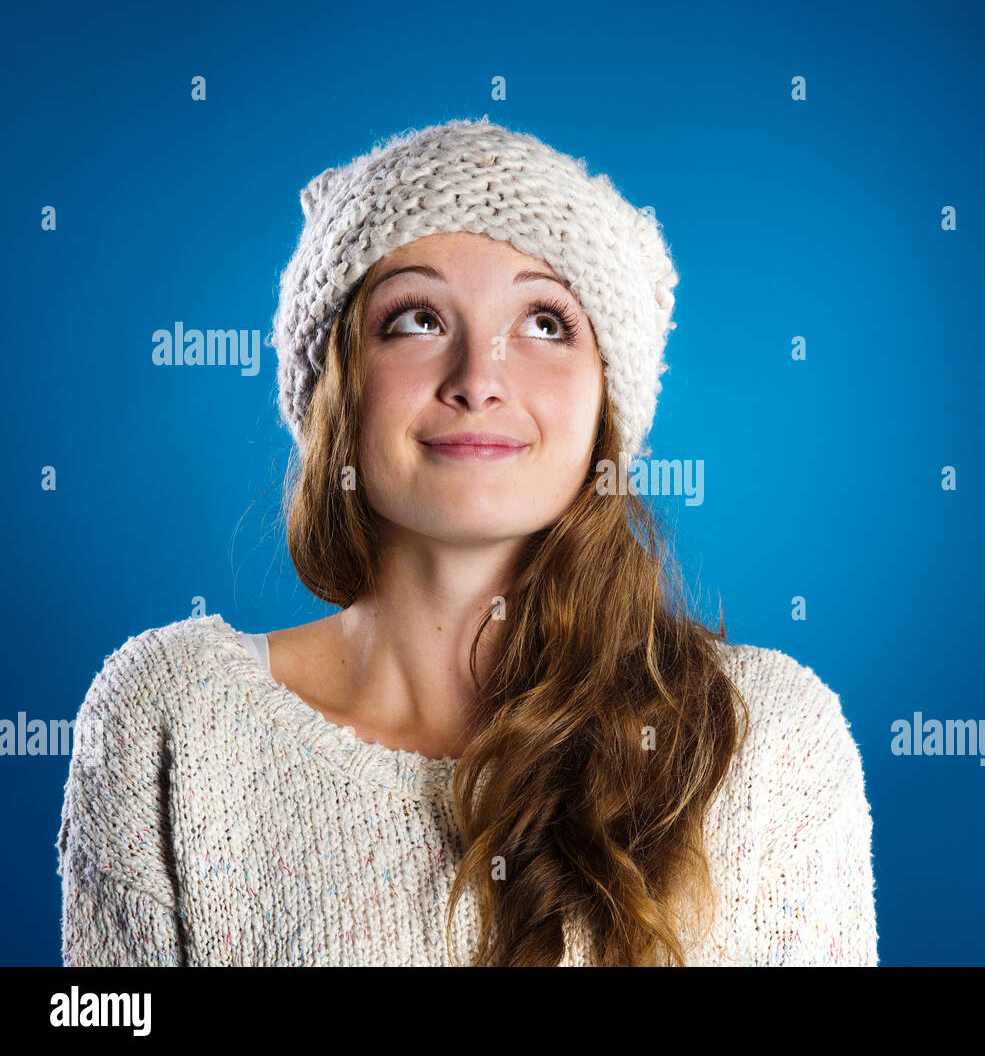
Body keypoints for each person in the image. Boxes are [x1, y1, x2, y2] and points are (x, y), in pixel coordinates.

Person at [56, 116, 879, 967]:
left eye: (546, 323)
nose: (479, 379)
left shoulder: (770, 739)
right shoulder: (174, 716)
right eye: (416, 318)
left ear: (606, 400)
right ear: (335, 390)